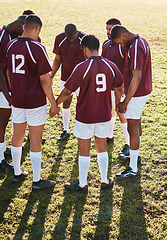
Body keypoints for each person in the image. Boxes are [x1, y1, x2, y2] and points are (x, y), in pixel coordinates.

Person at [57, 35, 124, 192]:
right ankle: (105, 181)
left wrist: (55, 104)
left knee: (84, 150)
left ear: (85, 49)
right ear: (99, 48)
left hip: (85, 115)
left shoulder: (82, 67)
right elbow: (119, 88)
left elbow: (67, 92)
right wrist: (118, 103)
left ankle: (82, 183)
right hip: (104, 114)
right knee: (102, 148)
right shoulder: (110, 65)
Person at [5, 14, 59, 189]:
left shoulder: (11, 45)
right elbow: (45, 80)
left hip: (17, 100)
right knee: (35, 139)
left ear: (23, 27)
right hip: (35, 101)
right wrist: (53, 103)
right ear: (37, 29)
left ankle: (17, 173)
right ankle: (36, 180)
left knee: (17, 136)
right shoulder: (37, 48)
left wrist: (15, 91)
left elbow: (8, 74)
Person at [111, 26, 152, 179]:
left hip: (137, 92)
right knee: (136, 123)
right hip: (142, 90)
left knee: (132, 126)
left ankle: (133, 167)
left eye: (120, 42)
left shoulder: (135, 47)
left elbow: (137, 76)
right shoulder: (142, 41)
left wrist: (125, 102)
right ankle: (136, 155)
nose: (121, 46)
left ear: (123, 35)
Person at [0, 14, 26, 171]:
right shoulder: (2, 38)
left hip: (5, 87)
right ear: (21, 27)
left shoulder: (8, 34)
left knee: (6, 119)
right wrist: (7, 95)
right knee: (2, 120)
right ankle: (0, 159)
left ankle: (3, 150)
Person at [50, 24, 86, 141]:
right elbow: (57, 59)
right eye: (68, 37)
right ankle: (66, 130)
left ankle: (81, 129)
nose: (70, 40)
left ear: (77, 32)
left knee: (82, 104)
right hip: (66, 77)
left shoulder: (84, 39)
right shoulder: (60, 39)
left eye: (72, 37)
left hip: (82, 79)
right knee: (66, 102)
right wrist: (51, 76)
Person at [101, 18, 130, 159]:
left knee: (121, 113)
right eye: (106, 29)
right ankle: (109, 135)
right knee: (109, 110)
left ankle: (128, 143)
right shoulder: (106, 44)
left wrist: (124, 86)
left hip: (121, 87)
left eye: (111, 29)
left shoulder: (122, 46)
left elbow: (128, 67)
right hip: (108, 86)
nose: (108, 32)